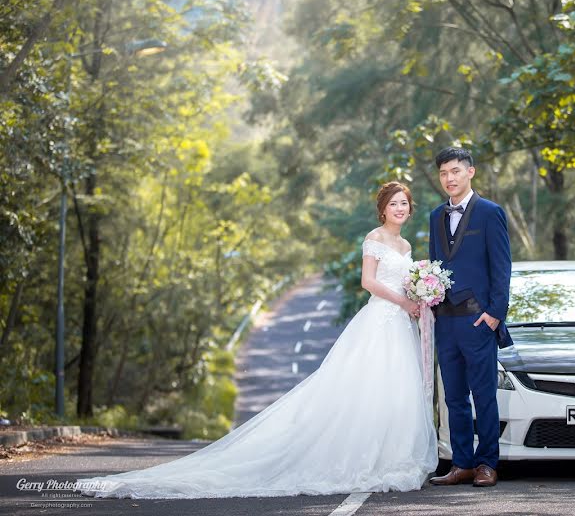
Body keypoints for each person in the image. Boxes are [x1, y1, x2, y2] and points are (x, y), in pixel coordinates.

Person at [77, 182, 437, 499]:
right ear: (382, 208)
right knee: (362, 387)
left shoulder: (405, 245)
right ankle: (357, 458)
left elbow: (403, 280)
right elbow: (369, 283)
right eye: (394, 204)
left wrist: (418, 296)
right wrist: (405, 301)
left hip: (401, 325)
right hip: (379, 320)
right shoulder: (374, 239)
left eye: (404, 203)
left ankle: (390, 457)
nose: (400, 209)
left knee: (393, 392)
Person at [427, 147, 513, 489]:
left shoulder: (490, 213)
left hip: (479, 320)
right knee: (453, 398)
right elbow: (435, 264)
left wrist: (495, 313)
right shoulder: (435, 216)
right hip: (445, 322)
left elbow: (502, 267)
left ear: (470, 172)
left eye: (455, 171)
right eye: (444, 173)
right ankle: (461, 463)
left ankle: (486, 463)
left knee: (484, 395)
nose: (450, 178)